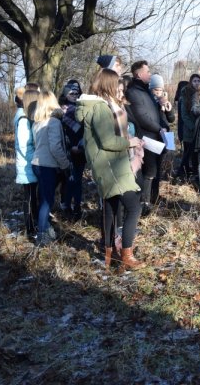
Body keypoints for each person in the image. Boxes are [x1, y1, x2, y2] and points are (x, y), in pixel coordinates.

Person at [77, 69, 145, 270]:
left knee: (111, 208)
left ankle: (110, 256)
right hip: (111, 166)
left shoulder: (96, 106)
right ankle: (126, 254)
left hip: (108, 165)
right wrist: (130, 142)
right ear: (108, 84)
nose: (119, 87)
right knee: (133, 207)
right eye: (116, 83)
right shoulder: (100, 108)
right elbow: (108, 141)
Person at [125, 61, 168, 213]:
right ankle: (144, 203)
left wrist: (163, 107)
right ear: (138, 74)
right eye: (147, 71)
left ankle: (153, 198)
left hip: (157, 136)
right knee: (148, 171)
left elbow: (155, 113)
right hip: (146, 137)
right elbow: (141, 116)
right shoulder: (133, 92)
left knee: (156, 170)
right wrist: (159, 128)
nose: (150, 74)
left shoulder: (146, 91)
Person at [31, 91, 70, 246]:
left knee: (43, 199)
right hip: (47, 165)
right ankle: (42, 235)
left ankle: (45, 228)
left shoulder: (37, 122)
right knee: (47, 201)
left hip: (37, 163)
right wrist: (65, 164)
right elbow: (55, 147)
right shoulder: (53, 122)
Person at [14, 84, 40, 236]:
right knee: (29, 197)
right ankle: (30, 229)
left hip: (29, 163)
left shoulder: (24, 116)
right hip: (27, 165)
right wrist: (35, 160)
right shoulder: (23, 119)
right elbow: (23, 146)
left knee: (32, 196)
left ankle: (34, 223)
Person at [59, 80, 86, 220]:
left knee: (78, 180)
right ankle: (67, 206)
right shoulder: (62, 110)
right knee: (70, 179)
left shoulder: (83, 108)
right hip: (68, 151)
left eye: (77, 93)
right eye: (71, 93)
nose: (75, 95)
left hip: (81, 149)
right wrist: (70, 147)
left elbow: (86, 130)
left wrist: (81, 145)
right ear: (65, 94)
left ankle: (77, 207)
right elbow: (61, 133)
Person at [176, 74, 200, 179]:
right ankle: (183, 174)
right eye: (194, 81)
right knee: (187, 153)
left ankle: (196, 174)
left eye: (198, 81)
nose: (197, 83)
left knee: (197, 155)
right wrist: (193, 127)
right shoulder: (184, 95)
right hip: (189, 130)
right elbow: (184, 116)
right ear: (191, 82)